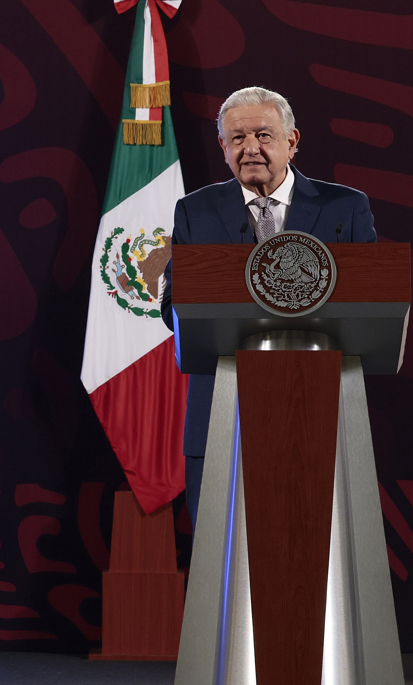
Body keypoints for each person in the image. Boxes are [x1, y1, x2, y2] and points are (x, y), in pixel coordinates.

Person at [160, 86, 376, 525]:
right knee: (220, 556)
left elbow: (372, 300)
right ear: (223, 147)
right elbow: (173, 309)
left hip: (318, 408)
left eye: (263, 135)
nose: (251, 148)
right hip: (222, 413)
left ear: (292, 140)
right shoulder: (194, 211)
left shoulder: (345, 208)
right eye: (237, 139)